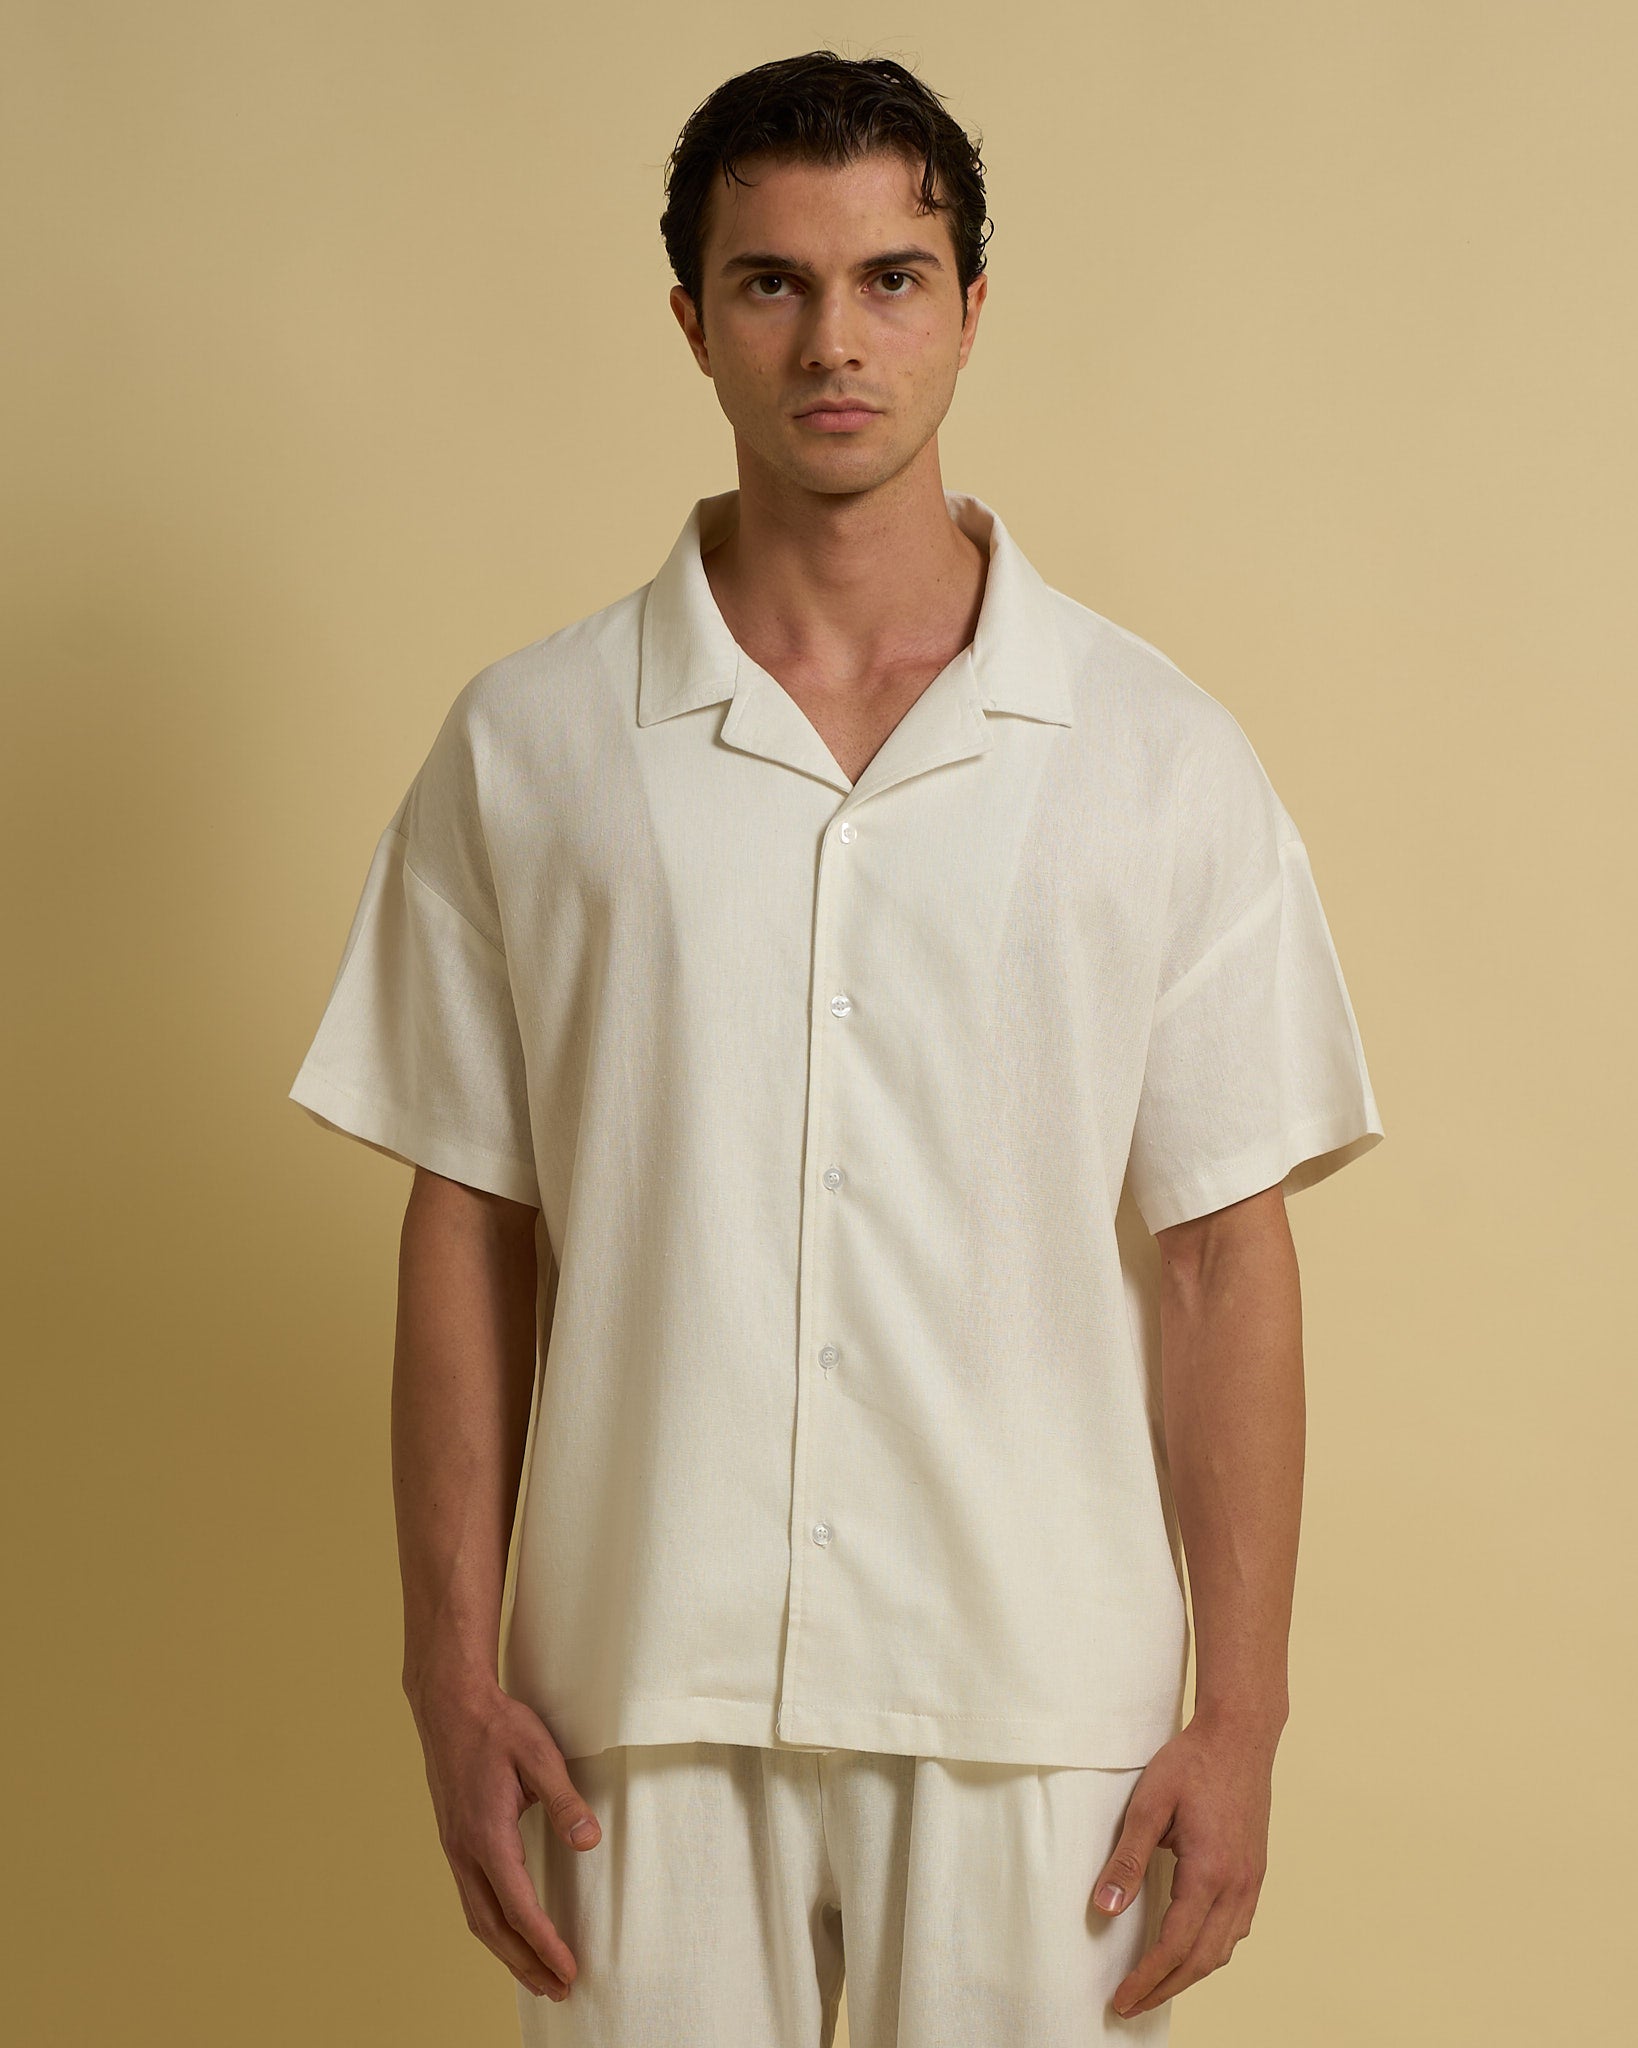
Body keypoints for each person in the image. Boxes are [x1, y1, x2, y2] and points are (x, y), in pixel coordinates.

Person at [288, 47, 1385, 2048]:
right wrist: (448, 1671)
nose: (834, 340)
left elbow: (1225, 1254)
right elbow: (469, 1222)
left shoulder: (1156, 754)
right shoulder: (532, 745)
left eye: (891, 276)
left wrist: (1243, 1711)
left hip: (1043, 1702)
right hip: (633, 1690)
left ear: (971, 307)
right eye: (772, 282)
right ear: (691, 317)